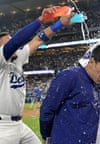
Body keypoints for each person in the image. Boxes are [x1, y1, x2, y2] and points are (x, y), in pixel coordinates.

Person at [0, 6, 74, 144]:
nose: (14, 47)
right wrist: (40, 20)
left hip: (19, 124)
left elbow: (38, 40)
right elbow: (16, 42)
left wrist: (60, 23)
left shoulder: (18, 57)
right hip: (2, 127)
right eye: (7, 44)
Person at [40, 44, 100, 144]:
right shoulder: (70, 76)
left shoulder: (95, 84)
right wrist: (47, 136)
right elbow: (47, 109)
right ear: (92, 61)